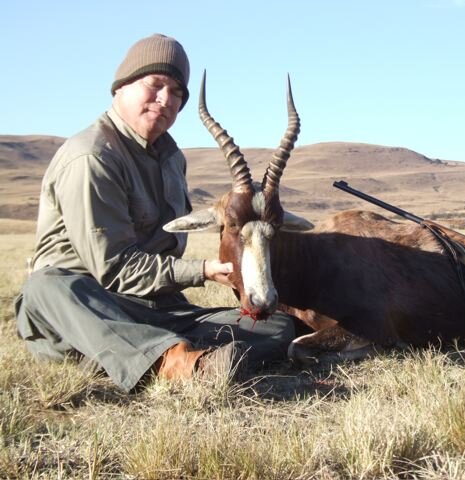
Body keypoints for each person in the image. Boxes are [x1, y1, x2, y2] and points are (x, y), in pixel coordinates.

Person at [14, 33, 296, 392]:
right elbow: (114, 268)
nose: (165, 100)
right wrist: (204, 271)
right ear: (122, 86)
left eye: (177, 92)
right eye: (156, 84)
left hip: (154, 306)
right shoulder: (92, 157)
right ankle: (172, 362)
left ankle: (177, 356)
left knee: (276, 326)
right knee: (47, 286)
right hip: (87, 306)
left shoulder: (171, 158)